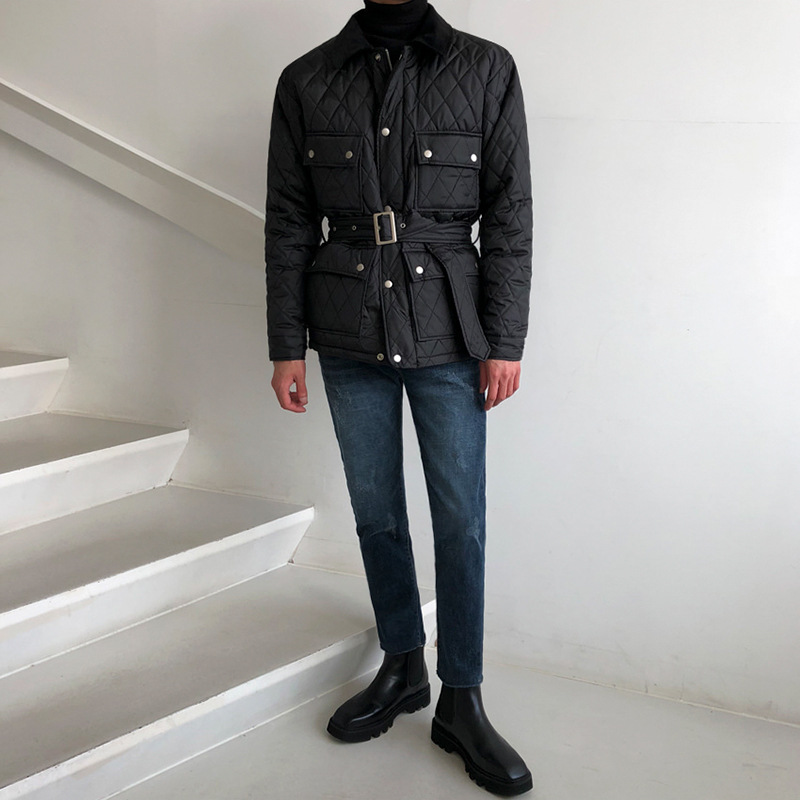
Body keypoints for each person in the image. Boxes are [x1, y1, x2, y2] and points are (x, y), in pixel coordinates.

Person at [265, 0, 533, 794]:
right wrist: (286, 345)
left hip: (450, 331)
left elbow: (509, 213)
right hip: (347, 330)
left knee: (460, 520)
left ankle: (462, 697)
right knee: (376, 512)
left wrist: (505, 340)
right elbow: (289, 220)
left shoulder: (486, 68)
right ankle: (403, 664)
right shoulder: (306, 78)